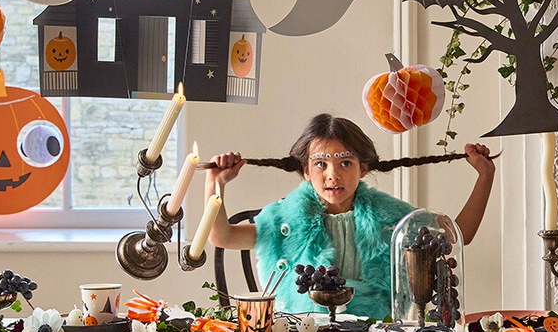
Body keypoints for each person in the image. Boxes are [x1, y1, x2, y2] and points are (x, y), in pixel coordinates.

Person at [205, 113, 495, 318]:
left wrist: (485, 176)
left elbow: (459, 235)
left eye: (345, 162)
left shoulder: (393, 220)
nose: (333, 175)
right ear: (305, 170)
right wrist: (215, 184)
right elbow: (222, 236)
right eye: (320, 164)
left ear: (363, 168)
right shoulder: (284, 221)